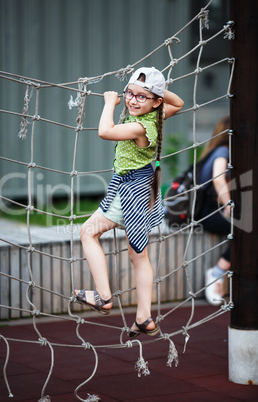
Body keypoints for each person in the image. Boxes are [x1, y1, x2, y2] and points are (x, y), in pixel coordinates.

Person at [74, 67, 184, 338]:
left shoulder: (139, 126)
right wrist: (150, 90)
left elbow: (104, 131)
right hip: (145, 189)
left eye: (142, 97)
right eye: (129, 94)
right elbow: (178, 103)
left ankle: (103, 296)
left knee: (88, 232)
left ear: (156, 101)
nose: (133, 100)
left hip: (130, 191)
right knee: (139, 255)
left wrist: (110, 103)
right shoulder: (157, 117)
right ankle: (144, 317)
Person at [196, 115, 231, 306]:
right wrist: (229, 206)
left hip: (205, 210)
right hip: (208, 214)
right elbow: (218, 179)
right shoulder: (223, 151)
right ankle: (216, 273)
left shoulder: (213, 150)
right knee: (250, 231)